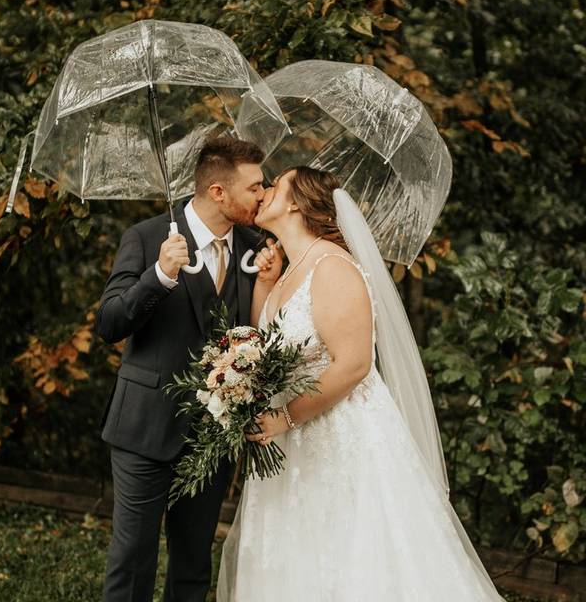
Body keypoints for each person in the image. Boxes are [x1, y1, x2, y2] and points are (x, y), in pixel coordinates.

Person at [216, 166, 507, 601]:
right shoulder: (291, 268)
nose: (266, 191)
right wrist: (265, 284)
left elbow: (353, 366)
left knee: (353, 554)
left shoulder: (333, 266)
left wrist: (286, 417)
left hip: (339, 436)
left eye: (275, 185)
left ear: (296, 203)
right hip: (291, 441)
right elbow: (266, 346)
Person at [95, 136, 282, 602]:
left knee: (194, 564)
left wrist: (268, 285)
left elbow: (258, 338)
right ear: (219, 192)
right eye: (255, 187)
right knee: (132, 559)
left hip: (213, 436)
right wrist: (157, 276)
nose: (264, 195)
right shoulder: (146, 237)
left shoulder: (259, 248)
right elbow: (109, 322)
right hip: (144, 427)